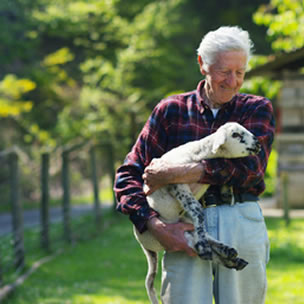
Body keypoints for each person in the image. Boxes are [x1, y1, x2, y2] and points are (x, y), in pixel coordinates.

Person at [114, 26, 275, 304]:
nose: (233, 81)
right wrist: (154, 225)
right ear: (202, 64)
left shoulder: (256, 109)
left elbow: (251, 168)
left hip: (240, 220)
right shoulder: (171, 110)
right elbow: (128, 174)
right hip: (181, 227)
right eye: (225, 71)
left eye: (240, 72)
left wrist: (177, 173)